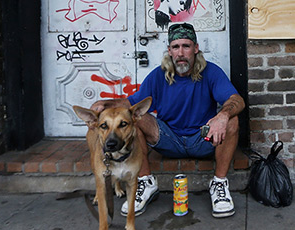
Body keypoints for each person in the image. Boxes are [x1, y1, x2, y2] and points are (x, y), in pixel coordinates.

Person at [89, 22, 245, 218]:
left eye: (186, 46)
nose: (181, 53)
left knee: (232, 120)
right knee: (136, 117)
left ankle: (219, 184)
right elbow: (130, 103)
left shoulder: (211, 72)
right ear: (169, 51)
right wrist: (105, 104)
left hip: (202, 139)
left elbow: (237, 100)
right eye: (175, 47)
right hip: (168, 139)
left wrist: (223, 115)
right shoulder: (157, 76)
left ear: (195, 49)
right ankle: (146, 182)